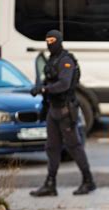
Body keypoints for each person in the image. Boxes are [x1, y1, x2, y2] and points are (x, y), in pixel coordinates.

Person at [29, 30, 96, 197]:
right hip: (53, 109)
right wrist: (41, 89)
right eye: (47, 40)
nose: (50, 43)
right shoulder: (52, 59)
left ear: (59, 40)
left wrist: (45, 88)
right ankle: (50, 184)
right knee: (51, 147)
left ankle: (89, 181)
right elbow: (48, 79)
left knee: (74, 146)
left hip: (66, 110)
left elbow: (64, 84)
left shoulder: (66, 61)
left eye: (53, 40)